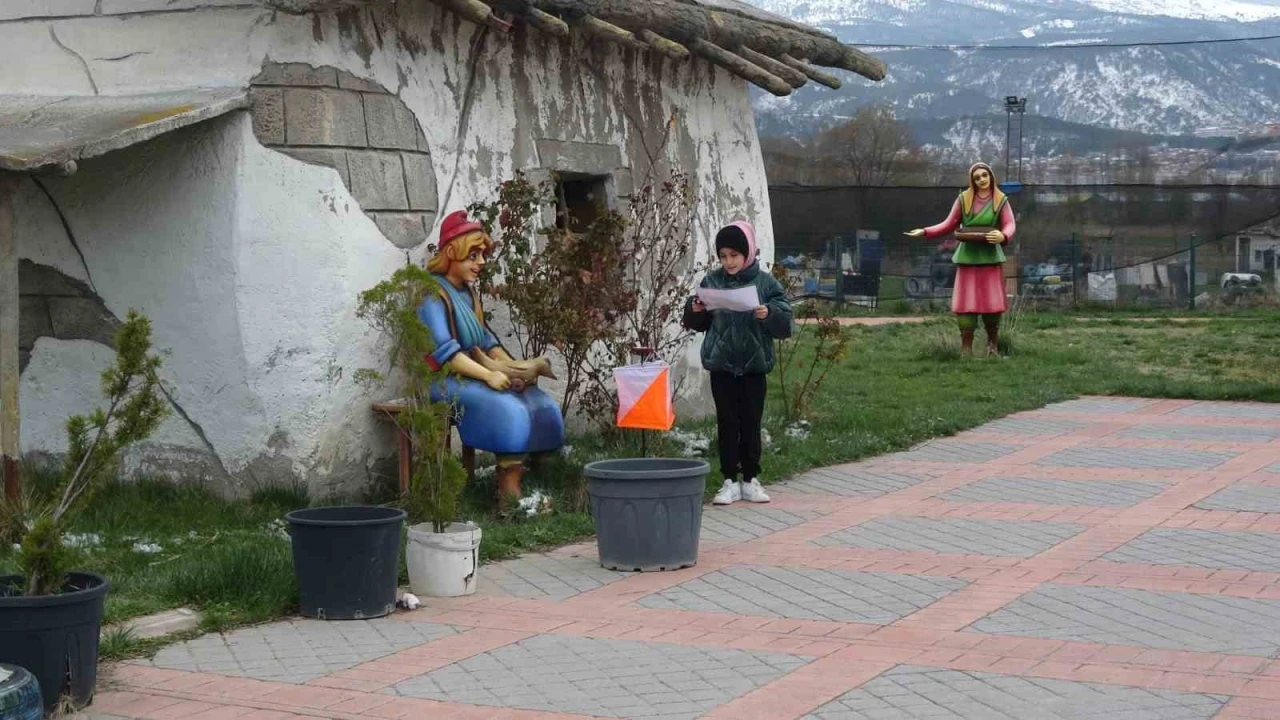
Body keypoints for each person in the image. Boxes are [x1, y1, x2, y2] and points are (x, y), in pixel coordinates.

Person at [418, 210, 565, 499]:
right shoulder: (433, 296)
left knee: (542, 404)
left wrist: (515, 367)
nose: (481, 262)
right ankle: (510, 496)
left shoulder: (467, 294)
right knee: (509, 410)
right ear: (452, 253)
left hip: (477, 372)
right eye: (473, 256)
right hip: (447, 380)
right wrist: (488, 375)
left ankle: (543, 487)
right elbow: (447, 354)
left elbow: (486, 341)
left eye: (482, 255)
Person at [682, 221, 793, 505]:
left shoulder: (766, 283)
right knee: (727, 422)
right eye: (723, 256)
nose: (729, 262)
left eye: (734, 255)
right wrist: (695, 310)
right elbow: (697, 321)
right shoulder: (712, 282)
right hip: (722, 366)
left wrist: (769, 313)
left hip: (754, 368)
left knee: (751, 422)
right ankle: (729, 481)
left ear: (748, 253)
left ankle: (751, 479)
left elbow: (785, 323)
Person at [906, 162, 1017, 356]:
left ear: (991, 176)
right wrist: (925, 231)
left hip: (990, 257)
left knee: (993, 303)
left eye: (984, 175)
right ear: (972, 180)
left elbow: (1010, 223)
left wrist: (1003, 235)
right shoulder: (963, 199)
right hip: (968, 258)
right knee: (967, 304)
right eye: (977, 177)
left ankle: (992, 345)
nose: (982, 180)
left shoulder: (1001, 200)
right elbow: (949, 223)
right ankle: (966, 349)